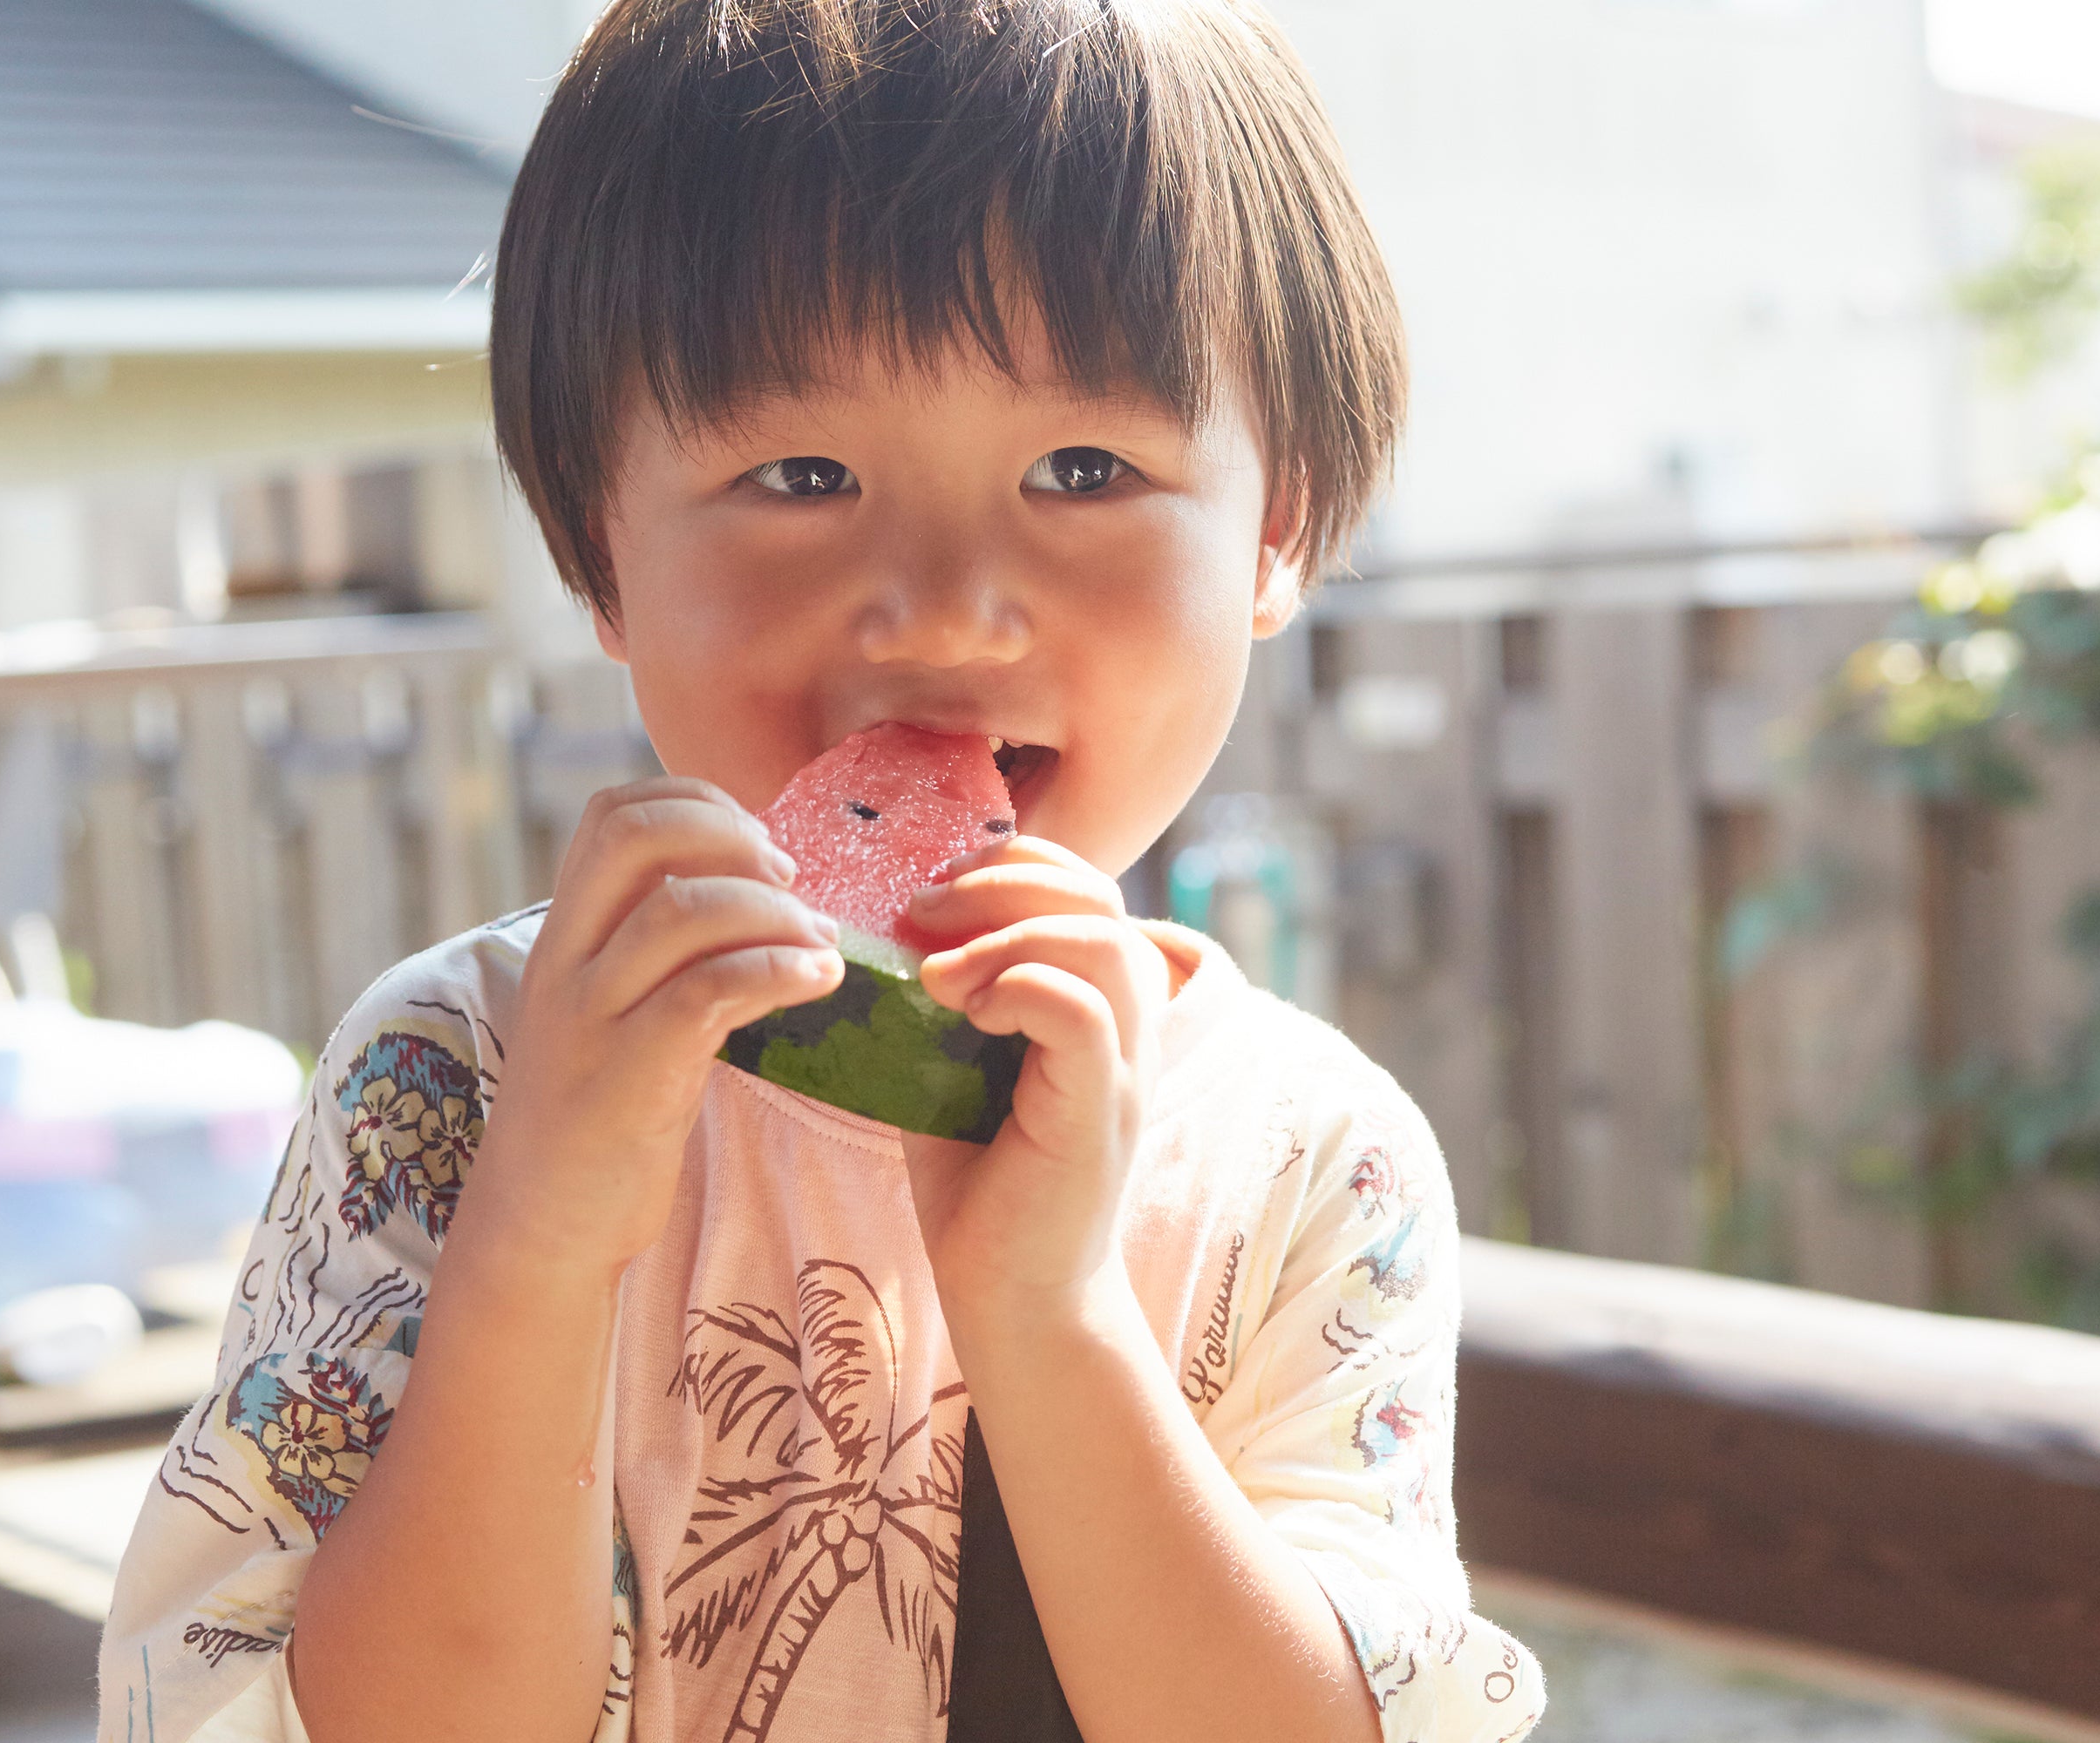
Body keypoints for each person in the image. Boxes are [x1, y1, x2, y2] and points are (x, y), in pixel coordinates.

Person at [99, 3, 1546, 1740]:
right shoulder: (456, 1079)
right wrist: (538, 1245)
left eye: (1083, 468)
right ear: (597, 553)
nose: (943, 608)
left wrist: (1052, 1313)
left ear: (1275, 528)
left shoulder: (1306, 1158)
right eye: (803, 474)